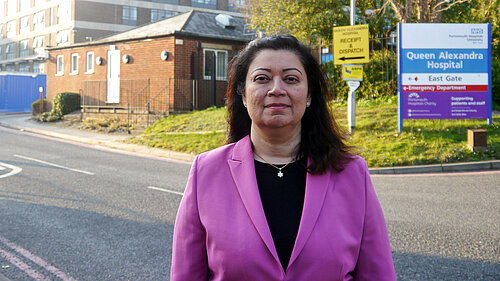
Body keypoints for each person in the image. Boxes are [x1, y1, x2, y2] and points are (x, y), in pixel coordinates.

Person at [171, 34, 396, 281]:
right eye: (261, 79)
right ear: (243, 95)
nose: (277, 89)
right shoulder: (206, 171)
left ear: (309, 95)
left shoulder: (352, 173)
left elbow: (378, 274)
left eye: (291, 79)